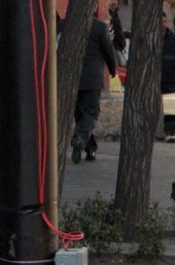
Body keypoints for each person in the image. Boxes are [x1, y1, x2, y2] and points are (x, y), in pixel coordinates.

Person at [74, 12, 118, 164]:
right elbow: (108, 50)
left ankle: (89, 148)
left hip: (72, 80)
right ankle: (80, 138)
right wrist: (113, 69)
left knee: (80, 114)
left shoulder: (66, 24)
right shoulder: (99, 26)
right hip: (92, 78)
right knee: (90, 113)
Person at [158, 15, 175, 94]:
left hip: (169, 79)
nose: (163, 24)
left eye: (164, 21)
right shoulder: (151, 39)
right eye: (161, 22)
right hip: (155, 78)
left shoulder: (174, 39)